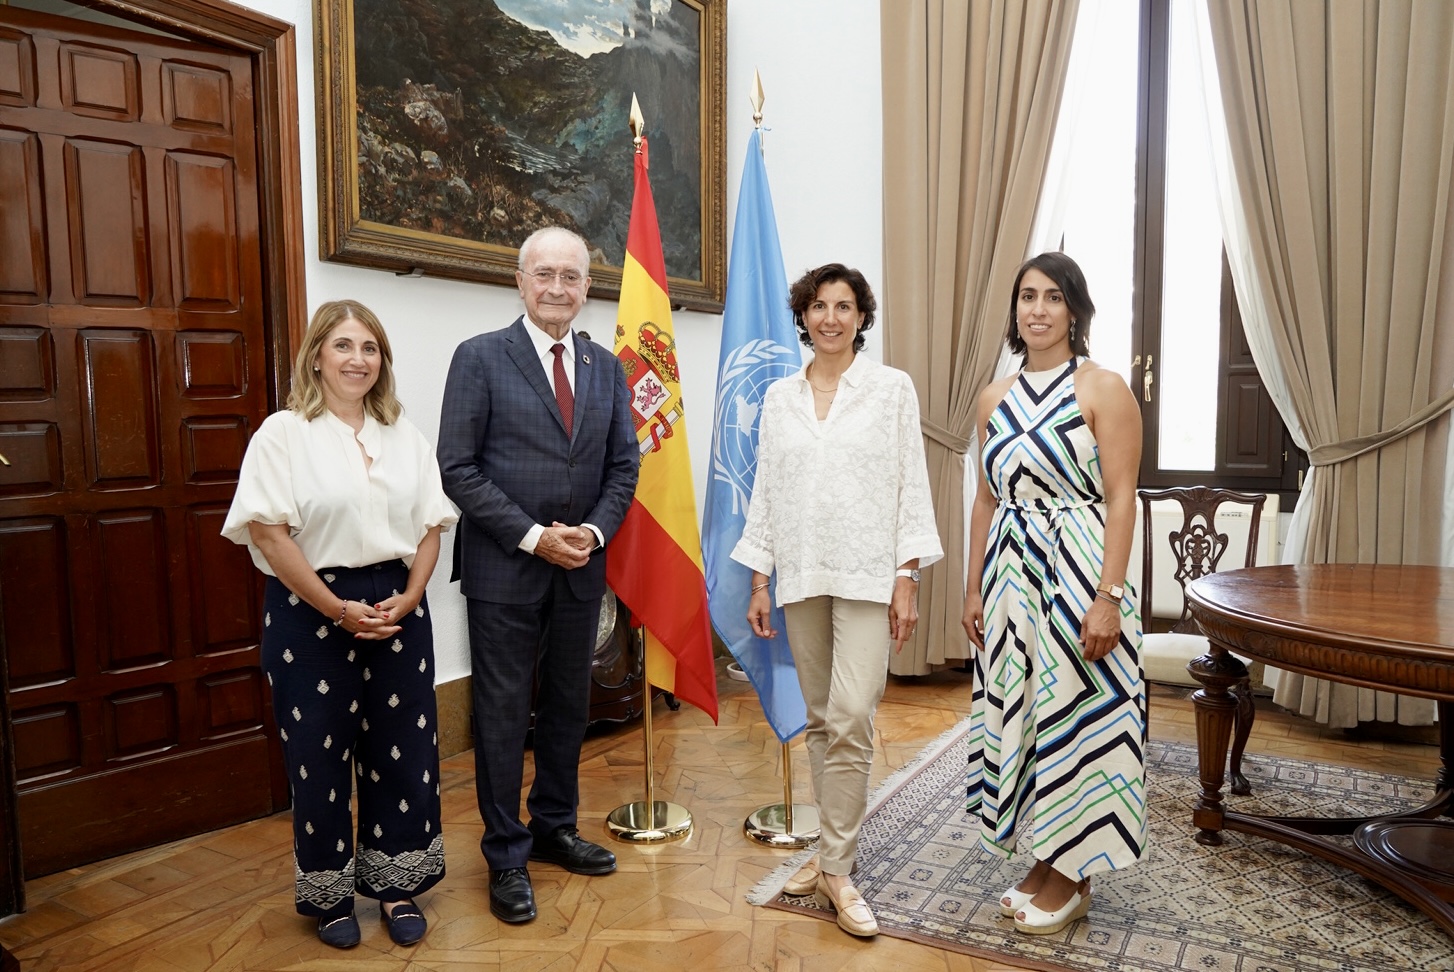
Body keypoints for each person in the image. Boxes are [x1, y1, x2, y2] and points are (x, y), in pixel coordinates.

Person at [222, 300, 456, 949]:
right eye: (345, 346)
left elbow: (432, 524)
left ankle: (397, 884)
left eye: (371, 348)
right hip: (310, 611)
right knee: (318, 756)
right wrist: (335, 608)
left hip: (397, 605)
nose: (358, 360)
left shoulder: (401, 432)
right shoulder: (282, 433)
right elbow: (269, 535)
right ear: (317, 355)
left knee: (404, 753)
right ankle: (329, 895)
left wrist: (410, 597)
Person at [733, 263, 943, 938]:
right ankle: (830, 857)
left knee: (853, 713)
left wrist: (906, 575)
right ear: (804, 316)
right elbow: (766, 487)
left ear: (861, 316)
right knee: (821, 720)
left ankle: (838, 868)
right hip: (799, 574)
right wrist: (760, 579)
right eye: (819, 306)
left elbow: (911, 480)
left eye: (843, 306)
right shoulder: (778, 396)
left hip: (867, 573)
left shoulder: (889, 390)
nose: (830, 317)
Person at [436, 226, 638, 925]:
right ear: (520, 282)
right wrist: (532, 536)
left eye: (572, 277)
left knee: (565, 707)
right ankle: (505, 855)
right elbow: (457, 468)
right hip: (504, 570)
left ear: (588, 288)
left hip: (582, 567)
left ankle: (554, 826)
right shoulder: (480, 358)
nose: (558, 288)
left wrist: (591, 531)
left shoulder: (608, 368)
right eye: (544, 274)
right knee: (497, 716)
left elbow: (623, 467)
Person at [961, 252, 1147, 935]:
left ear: (1074, 309)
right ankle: (1046, 858)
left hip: (1078, 569)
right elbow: (984, 498)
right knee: (1025, 717)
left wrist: (1110, 596)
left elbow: (1124, 498)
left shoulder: (1102, 388)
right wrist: (974, 587)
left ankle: (1077, 873)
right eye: (1026, 297)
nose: (1037, 309)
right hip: (1010, 578)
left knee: (1079, 718)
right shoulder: (993, 397)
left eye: (1052, 297)